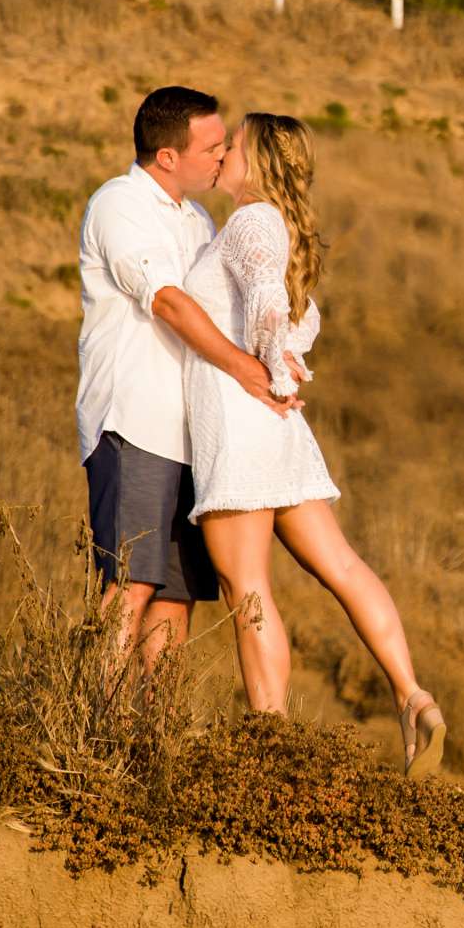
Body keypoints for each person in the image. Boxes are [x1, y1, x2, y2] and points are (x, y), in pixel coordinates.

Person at [185, 111, 446, 777]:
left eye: (234, 146)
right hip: (278, 426)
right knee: (343, 567)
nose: (221, 156)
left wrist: (270, 363)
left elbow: (269, 301)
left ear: (260, 161)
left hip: (243, 418)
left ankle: (268, 746)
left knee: (247, 590)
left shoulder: (251, 222)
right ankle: (412, 694)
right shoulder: (283, 228)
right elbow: (281, 302)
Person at [76, 86, 296, 666]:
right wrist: (247, 369)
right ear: (167, 156)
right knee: (131, 584)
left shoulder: (198, 218)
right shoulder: (119, 204)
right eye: (212, 147)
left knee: (176, 597)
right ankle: (93, 724)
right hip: (136, 423)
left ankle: (156, 740)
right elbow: (168, 302)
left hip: (195, 435)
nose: (223, 157)